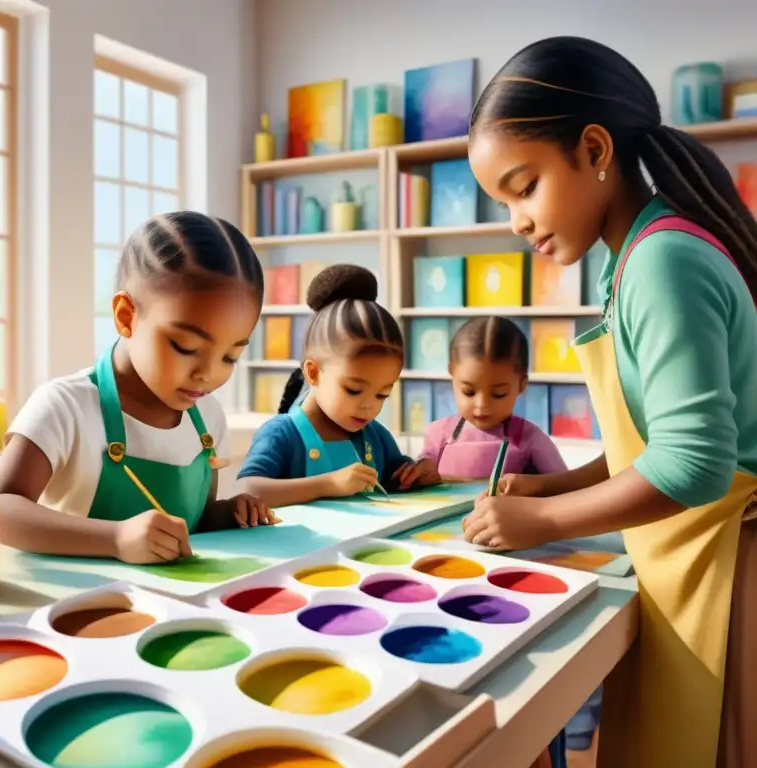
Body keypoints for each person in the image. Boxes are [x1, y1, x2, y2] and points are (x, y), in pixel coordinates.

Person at [462, 36, 757, 768]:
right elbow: (647, 443)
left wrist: (543, 518)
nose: (517, 223)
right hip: (691, 562)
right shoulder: (637, 258)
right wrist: (553, 484)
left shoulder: (663, 261)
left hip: (727, 578)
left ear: (594, 149)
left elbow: (693, 465)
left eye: (523, 187)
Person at [0, 211, 277, 565]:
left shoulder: (206, 417)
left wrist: (227, 514)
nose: (207, 374)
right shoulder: (65, 405)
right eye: (186, 347)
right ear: (126, 316)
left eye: (230, 356)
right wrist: (116, 538)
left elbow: (192, 523)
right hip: (79, 605)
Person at [237, 264, 426, 506]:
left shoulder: (376, 436)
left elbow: (399, 477)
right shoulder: (282, 434)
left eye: (382, 395)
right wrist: (329, 484)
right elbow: (249, 490)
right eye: (354, 390)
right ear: (313, 373)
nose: (369, 406)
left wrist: (418, 474)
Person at [414, 316, 567, 481]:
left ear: (521, 385)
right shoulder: (438, 434)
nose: (482, 405)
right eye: (468, 391)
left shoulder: (530, 438)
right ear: (452, 374)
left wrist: (532, 487)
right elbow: (420, 477)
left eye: (498, 394)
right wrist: (421, 472)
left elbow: (564, 485)